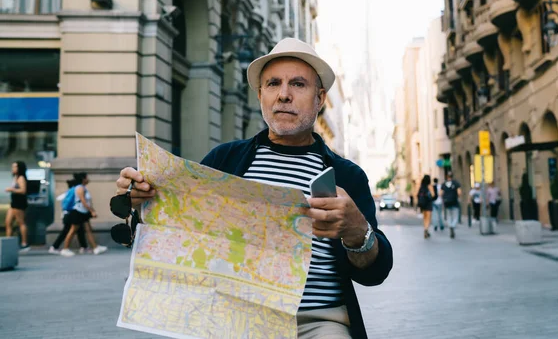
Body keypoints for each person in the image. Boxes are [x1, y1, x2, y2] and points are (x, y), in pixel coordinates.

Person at [114, 38, 393, 339]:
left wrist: (357, 231)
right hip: (235, 317)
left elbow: (374, 272)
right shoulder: (225, 160)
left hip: (319, 323)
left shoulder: (347, 176)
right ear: (261, 94)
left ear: (320, 98)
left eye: (298, 84)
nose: (283, 95)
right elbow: (181, 233)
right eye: (273, 84)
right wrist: (144, 201)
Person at [60, 172, 107, 257]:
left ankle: (95, 247)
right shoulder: (80, 188)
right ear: (83, 179)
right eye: (87, 177)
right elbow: (83, 201)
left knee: (88, 229)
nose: (88, 179)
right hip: (78, 212)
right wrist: (92, 210)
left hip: (83, 212)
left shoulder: (83, 187)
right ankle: (65, 249)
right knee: (73, 229)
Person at [49, 174, 90, 255]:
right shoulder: (78, 189)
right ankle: (57, 247)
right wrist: (91, 210)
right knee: (68, 230)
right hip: (73, 212)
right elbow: (82, 201)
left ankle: (84, 247)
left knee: (79, 229)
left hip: (69, 212)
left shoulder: (72, 190)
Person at [4, 161, 30, 251]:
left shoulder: (21, 178)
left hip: (19, 202)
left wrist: (12, 189)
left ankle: (24, 243)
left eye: (15, 167)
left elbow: (23, 190)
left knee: (21, 222)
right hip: (14, 202)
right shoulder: (15, 177)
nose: (13, 169)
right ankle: (8, 242)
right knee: (8, 222)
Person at [440, 171, 462, 239]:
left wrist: (444, 197)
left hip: (447, 202)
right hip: (454, 202)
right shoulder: (456, 183)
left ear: (447, 176)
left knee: (449, 216)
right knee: (455, 216)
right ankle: (453, 226)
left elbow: (440, 193)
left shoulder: (444, 184)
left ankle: (450, 226)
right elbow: (459, 192)